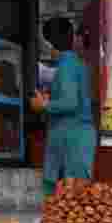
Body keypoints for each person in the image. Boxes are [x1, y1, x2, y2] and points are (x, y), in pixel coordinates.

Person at [32, 18, 96, 196]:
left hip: (72, 138)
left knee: (70, 203)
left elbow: (69, 103)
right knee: (74, 205)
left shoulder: (67, 66)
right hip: (77, 136)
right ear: (73, 38)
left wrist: (44, 104)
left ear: (49, 44)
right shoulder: (76, 65)